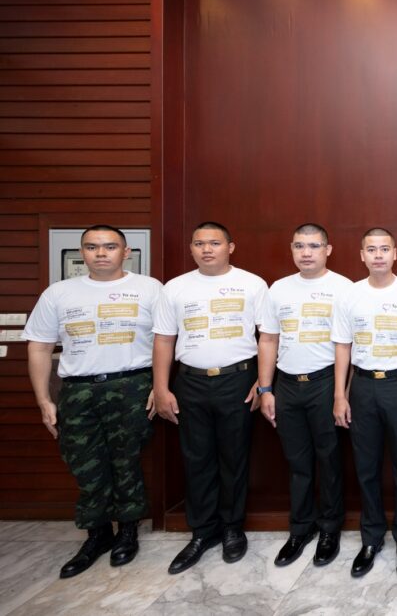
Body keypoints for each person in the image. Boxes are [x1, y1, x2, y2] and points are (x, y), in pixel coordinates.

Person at [24, 225, 162, 579]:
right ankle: (97, 534)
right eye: (92, 247)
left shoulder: (150, 289)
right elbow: (39, 347)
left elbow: (166, 341)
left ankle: (127, 531)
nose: (101, 253)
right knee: (85, 463)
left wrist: (159, 386)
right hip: (78, 390)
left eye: (110, 246)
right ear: (82, 252)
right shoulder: (58, 293)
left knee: (126, 461)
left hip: (131, 384)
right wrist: (44, 399)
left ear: (126, 252)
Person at [151, 221, 268, 574]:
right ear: (191, 248)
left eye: (214, 243)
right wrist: (161, 388)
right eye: (199, 243)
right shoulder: (175, 288)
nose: (206, 249)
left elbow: (267, 337)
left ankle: (232, 528)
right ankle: (202, 532)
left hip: (238, 379)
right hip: (191, 382)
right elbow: (164, 340)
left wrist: (263, 383)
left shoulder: (252, 284)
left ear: (230, 247)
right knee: (196, 459)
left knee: (235, 458)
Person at [332, 227, 397, 579]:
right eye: (371, 249)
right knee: (366, 466)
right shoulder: (350, 295)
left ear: (395, 254)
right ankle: (371, 538)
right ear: (362, 255)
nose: (378, 255)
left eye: (384, 249)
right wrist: (340, 395)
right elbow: (342, 346)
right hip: (362, 386)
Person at [257, 224, 351, 568]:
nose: (306, 253)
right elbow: (268, 339)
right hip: (286, 385)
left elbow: (348, 345)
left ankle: (329, 529)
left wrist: (342, 393)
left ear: (328, 249)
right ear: (292, 249)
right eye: (299, 246)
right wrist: (265, 388)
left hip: (325, 381)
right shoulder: (278, 289)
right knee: (297, 462)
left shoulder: (344, 288)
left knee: (329, 460)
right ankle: (300, 529)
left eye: (313, 246)